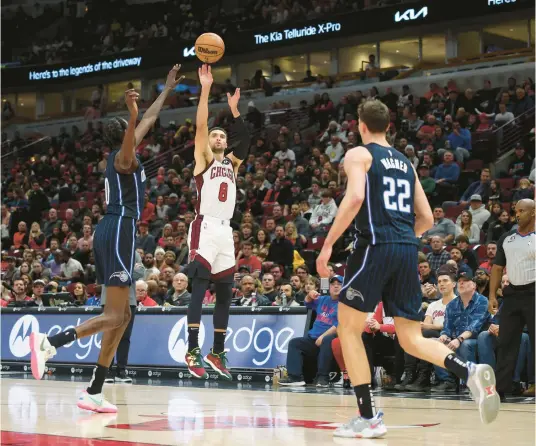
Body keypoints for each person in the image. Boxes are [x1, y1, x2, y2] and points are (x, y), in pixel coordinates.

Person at [316, 100, 499, 439]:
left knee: (349, 328)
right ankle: (469, 371)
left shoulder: (359, 154)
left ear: (361, 124)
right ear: (389, 126)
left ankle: (368, 417)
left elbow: (355, 198)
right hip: (407, 248)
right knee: (411, 337)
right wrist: (401, 240)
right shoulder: (405, 163)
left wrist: (327, 245)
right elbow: (427, 219)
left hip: (374, 246)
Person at [29, 64, 184, 413]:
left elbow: (151, 118)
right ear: (124, 135)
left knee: (123, 316)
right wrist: (131, 114)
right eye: (131, 127)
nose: (137, 127)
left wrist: (167, 88)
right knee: (116, 316)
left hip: (115, 231)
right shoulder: (120, 159)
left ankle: (95, 389)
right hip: (118, 230)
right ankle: (49, 342)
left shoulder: (126, 151)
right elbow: (134, 136)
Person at [185, 64, 250, 381]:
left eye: (223, 135)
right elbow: (200, 125)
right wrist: (206, 88)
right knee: (199, 288)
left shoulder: (233, 164)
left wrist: (235, 113)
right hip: (205, 226)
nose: (219, 137)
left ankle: (217, 351)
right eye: (215, 134)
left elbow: (246, 142)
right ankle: (192, 350)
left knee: (225, 292)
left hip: (226, 231)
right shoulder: (204, 158)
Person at [489, 199, 535, 402]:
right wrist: (492, 295)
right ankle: (501, 388)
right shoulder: (507, 238)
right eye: (516, 211)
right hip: (513, 295)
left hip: (534, 293)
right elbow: (497, 268)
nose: (517, 215)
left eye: (522, 211)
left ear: (533, 213)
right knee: (506, 342)